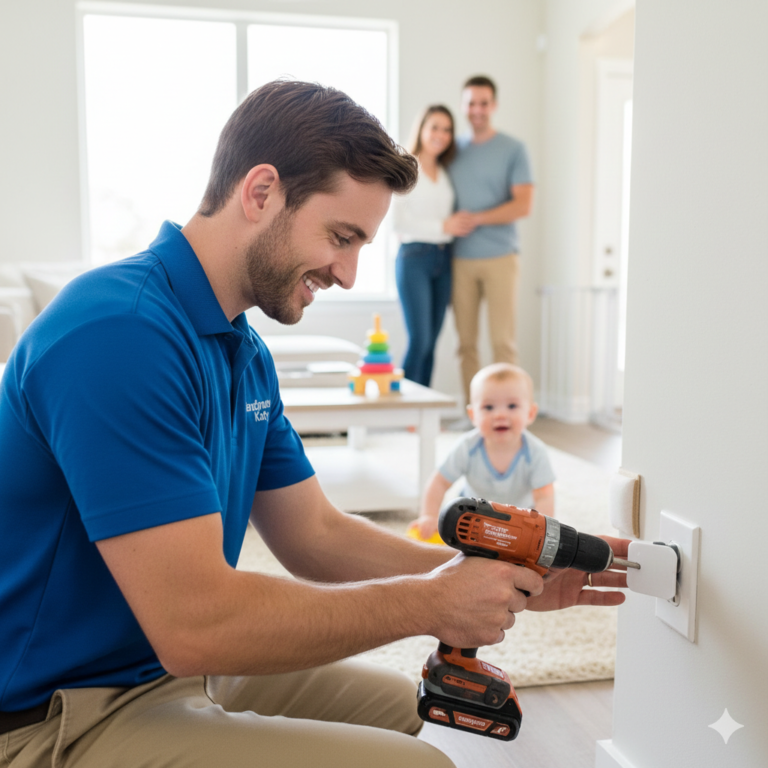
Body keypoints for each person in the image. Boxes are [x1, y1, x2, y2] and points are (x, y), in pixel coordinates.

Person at [0, 81, 627, 768]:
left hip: (148, 664)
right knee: (422, 766)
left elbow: (315, 535)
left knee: (399, 713)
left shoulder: (241, 347)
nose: (351, 274)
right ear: (261, 192)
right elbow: (195, 624)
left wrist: (489, 575)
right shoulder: (118, 334)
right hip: (54, 710)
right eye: (342, 236)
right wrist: (432, 603)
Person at [448, 75, 534, 411]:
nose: (477, 110)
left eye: (484, 103)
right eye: (471, 103)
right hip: (460, 259)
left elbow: (523, 205)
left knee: (502, 343)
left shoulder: (513, 149)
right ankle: (476, 417)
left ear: (494, 106)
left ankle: (510, 414)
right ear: (463, 106)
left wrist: (478, 219)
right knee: (466, 344)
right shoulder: (452, 150)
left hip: (501, 257)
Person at [414, 363, 554, 541]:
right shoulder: (467, 447)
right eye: (488, 407)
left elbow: (544, 496)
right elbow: (439, 482)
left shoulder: (535, 452)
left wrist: (541, 532)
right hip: (472, 520)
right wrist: (429, 516)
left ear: (530, 413)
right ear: (473, 415)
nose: (500, 415)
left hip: (520, 524)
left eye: (512, 406)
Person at [391, 105, 473, 387]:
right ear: (422, 129)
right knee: (420, 340)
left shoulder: (447, 172)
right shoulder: (406, 166)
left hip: (444, 259)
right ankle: (404, 411)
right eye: (434, 127)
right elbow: (397, 223)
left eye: (447, 129)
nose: (441, 134)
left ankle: (421, 410)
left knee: (432, 344)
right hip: (414, 257)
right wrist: (443, 226)